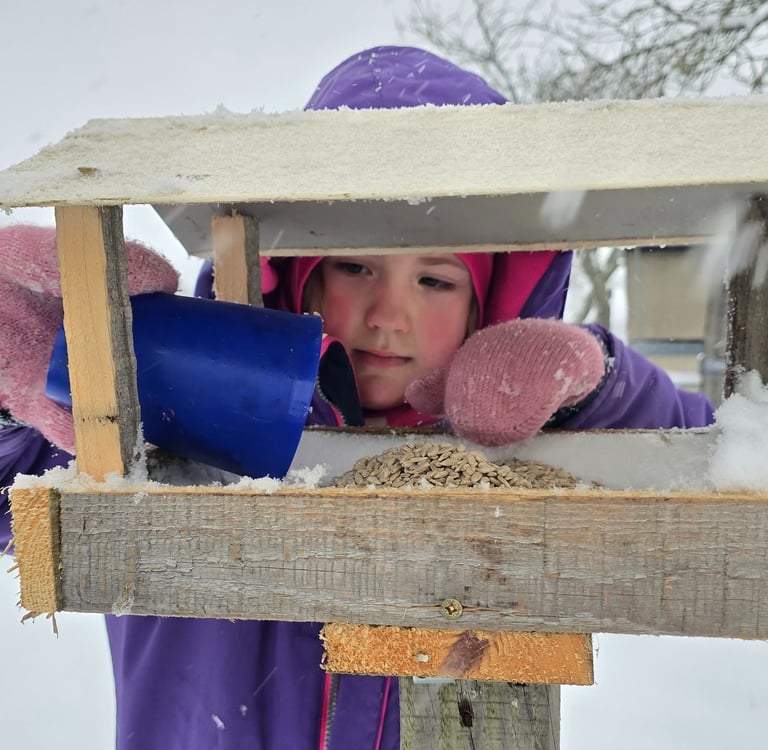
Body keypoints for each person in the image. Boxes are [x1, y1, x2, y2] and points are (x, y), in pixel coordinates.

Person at [0, 45, 713, 750]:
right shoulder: (174, 404)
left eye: (435, 279)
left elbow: (716, 469)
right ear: (296, 271)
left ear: (489, 303)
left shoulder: (528, 453)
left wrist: (593, 391)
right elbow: (18, 484)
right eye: (354, 266)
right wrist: (24, 391)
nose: (388, 315)